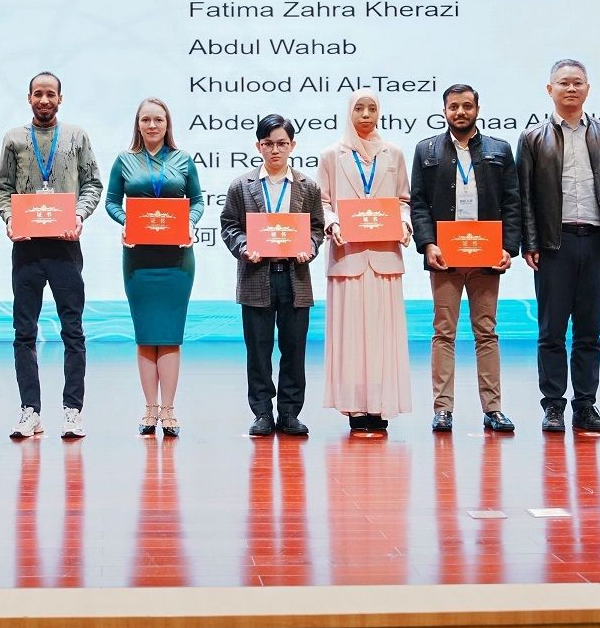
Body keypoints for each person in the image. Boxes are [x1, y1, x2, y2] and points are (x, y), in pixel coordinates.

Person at [518, 59, 600, 434]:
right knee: (551, 331)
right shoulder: (533, 138)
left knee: (589, 331)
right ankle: (553, 406)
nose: (571, 88)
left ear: (587, 89)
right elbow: (525, 198)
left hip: (596, 242)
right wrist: (529, 242)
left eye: (578, 82)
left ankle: (585, 406)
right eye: (564, 82)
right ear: (549, 89)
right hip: (555, 243)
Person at [0, 71, 104, 439]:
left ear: (60, 98)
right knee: (24, 331)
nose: (44, 100)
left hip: (65, 246)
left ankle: (73, 410)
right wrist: (10, 219)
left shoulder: (77, 136)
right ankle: (30, 411)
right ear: (29, 98)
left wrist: (79, 215)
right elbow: (3, 189)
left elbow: (93, 184)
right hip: (26, 247)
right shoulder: (13, 138)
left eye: (50, 94)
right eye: (38, 94)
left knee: (73, 330)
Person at [409, 84, 521, 434]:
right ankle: (443, 409)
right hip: (445, 257)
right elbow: (418, 203)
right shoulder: (426, 149)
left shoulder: (499, 150)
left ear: (477, 109)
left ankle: (493, 409)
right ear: (444, 110)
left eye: (467, 106)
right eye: (454, 106)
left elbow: (513, 201)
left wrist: (508, 247)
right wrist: (428, 244)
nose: (460, 112)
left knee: (486, 332)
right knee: (443, 333)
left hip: (487, 256)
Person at [104, 97, 205, 437]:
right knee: (146, 335)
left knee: (170, 335)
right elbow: (112, 202)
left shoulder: (184, 159)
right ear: (138, 124)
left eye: (158, 120)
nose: (152, 125)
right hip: (139, 258)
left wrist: (190, 222)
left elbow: (198, 201)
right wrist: (127, 223)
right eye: (145, 119)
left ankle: (169, 409)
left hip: (176, 259)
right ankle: (150, 408)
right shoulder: (124, 160)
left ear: (167, 124)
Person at [219, 114, 325, 437]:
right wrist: (244, 247)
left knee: (294, 349)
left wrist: (309, 246)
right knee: (258, 350)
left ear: (292, 145)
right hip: (256, 275)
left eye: (281, 143)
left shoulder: (308, 186)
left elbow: (317, 228)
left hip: (295, 277)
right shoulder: (241, 186)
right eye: (268, 144)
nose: (275, 150)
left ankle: (290, 413)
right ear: (258, 146)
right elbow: (229, 226)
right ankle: (262, 412)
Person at [317, 89, 413, 434]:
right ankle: (355, 406)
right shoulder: (331, 155)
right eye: (359, 108)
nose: (366, 114)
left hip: (385, 256)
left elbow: (404, 200)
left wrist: (404, 223)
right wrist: (333, 223)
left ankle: (381, 403)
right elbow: (322, 201)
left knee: (383, 334)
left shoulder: (394, 153)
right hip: (348, 255)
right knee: (351, 336)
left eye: (372, 108)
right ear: (349, 112)